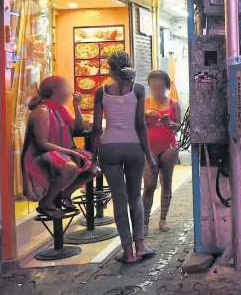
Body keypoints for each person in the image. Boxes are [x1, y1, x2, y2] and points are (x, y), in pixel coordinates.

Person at [91, 51, 156, 263]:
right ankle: (140, 246)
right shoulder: (137, 89)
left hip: (109, 148)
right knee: (135, 197)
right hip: (133, 148)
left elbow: (95, 129)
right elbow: (140, 125)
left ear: (110, 69)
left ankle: (127, 253)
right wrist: (149, 155)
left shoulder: (101, 91)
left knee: (119, 200)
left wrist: (92, 160)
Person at [20, 76, 96, 219]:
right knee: (70, 167)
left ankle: (65, 194)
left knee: (93, 168)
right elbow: (42, 144)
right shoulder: (42, 111)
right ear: (55, 90)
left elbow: (79, 128)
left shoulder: (60, 109)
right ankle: (46, 202)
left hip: (60, 152)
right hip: (40, 155)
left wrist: (76, 106)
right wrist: (70, 153)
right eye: (66, 88)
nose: (69, 92)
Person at [142, 70, 181, 234]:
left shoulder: (174, 104)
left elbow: (179, 126)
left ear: (166, 86)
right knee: (149, 185)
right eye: (153, 86)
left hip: (169, 146)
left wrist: (169, 123)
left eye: (160, 86)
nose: (157, 90)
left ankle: (163, 219)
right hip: (148, 147)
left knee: (166, 183)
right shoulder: (144, 102)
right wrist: (145, 116)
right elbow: (136, 124)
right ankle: (144, 221)